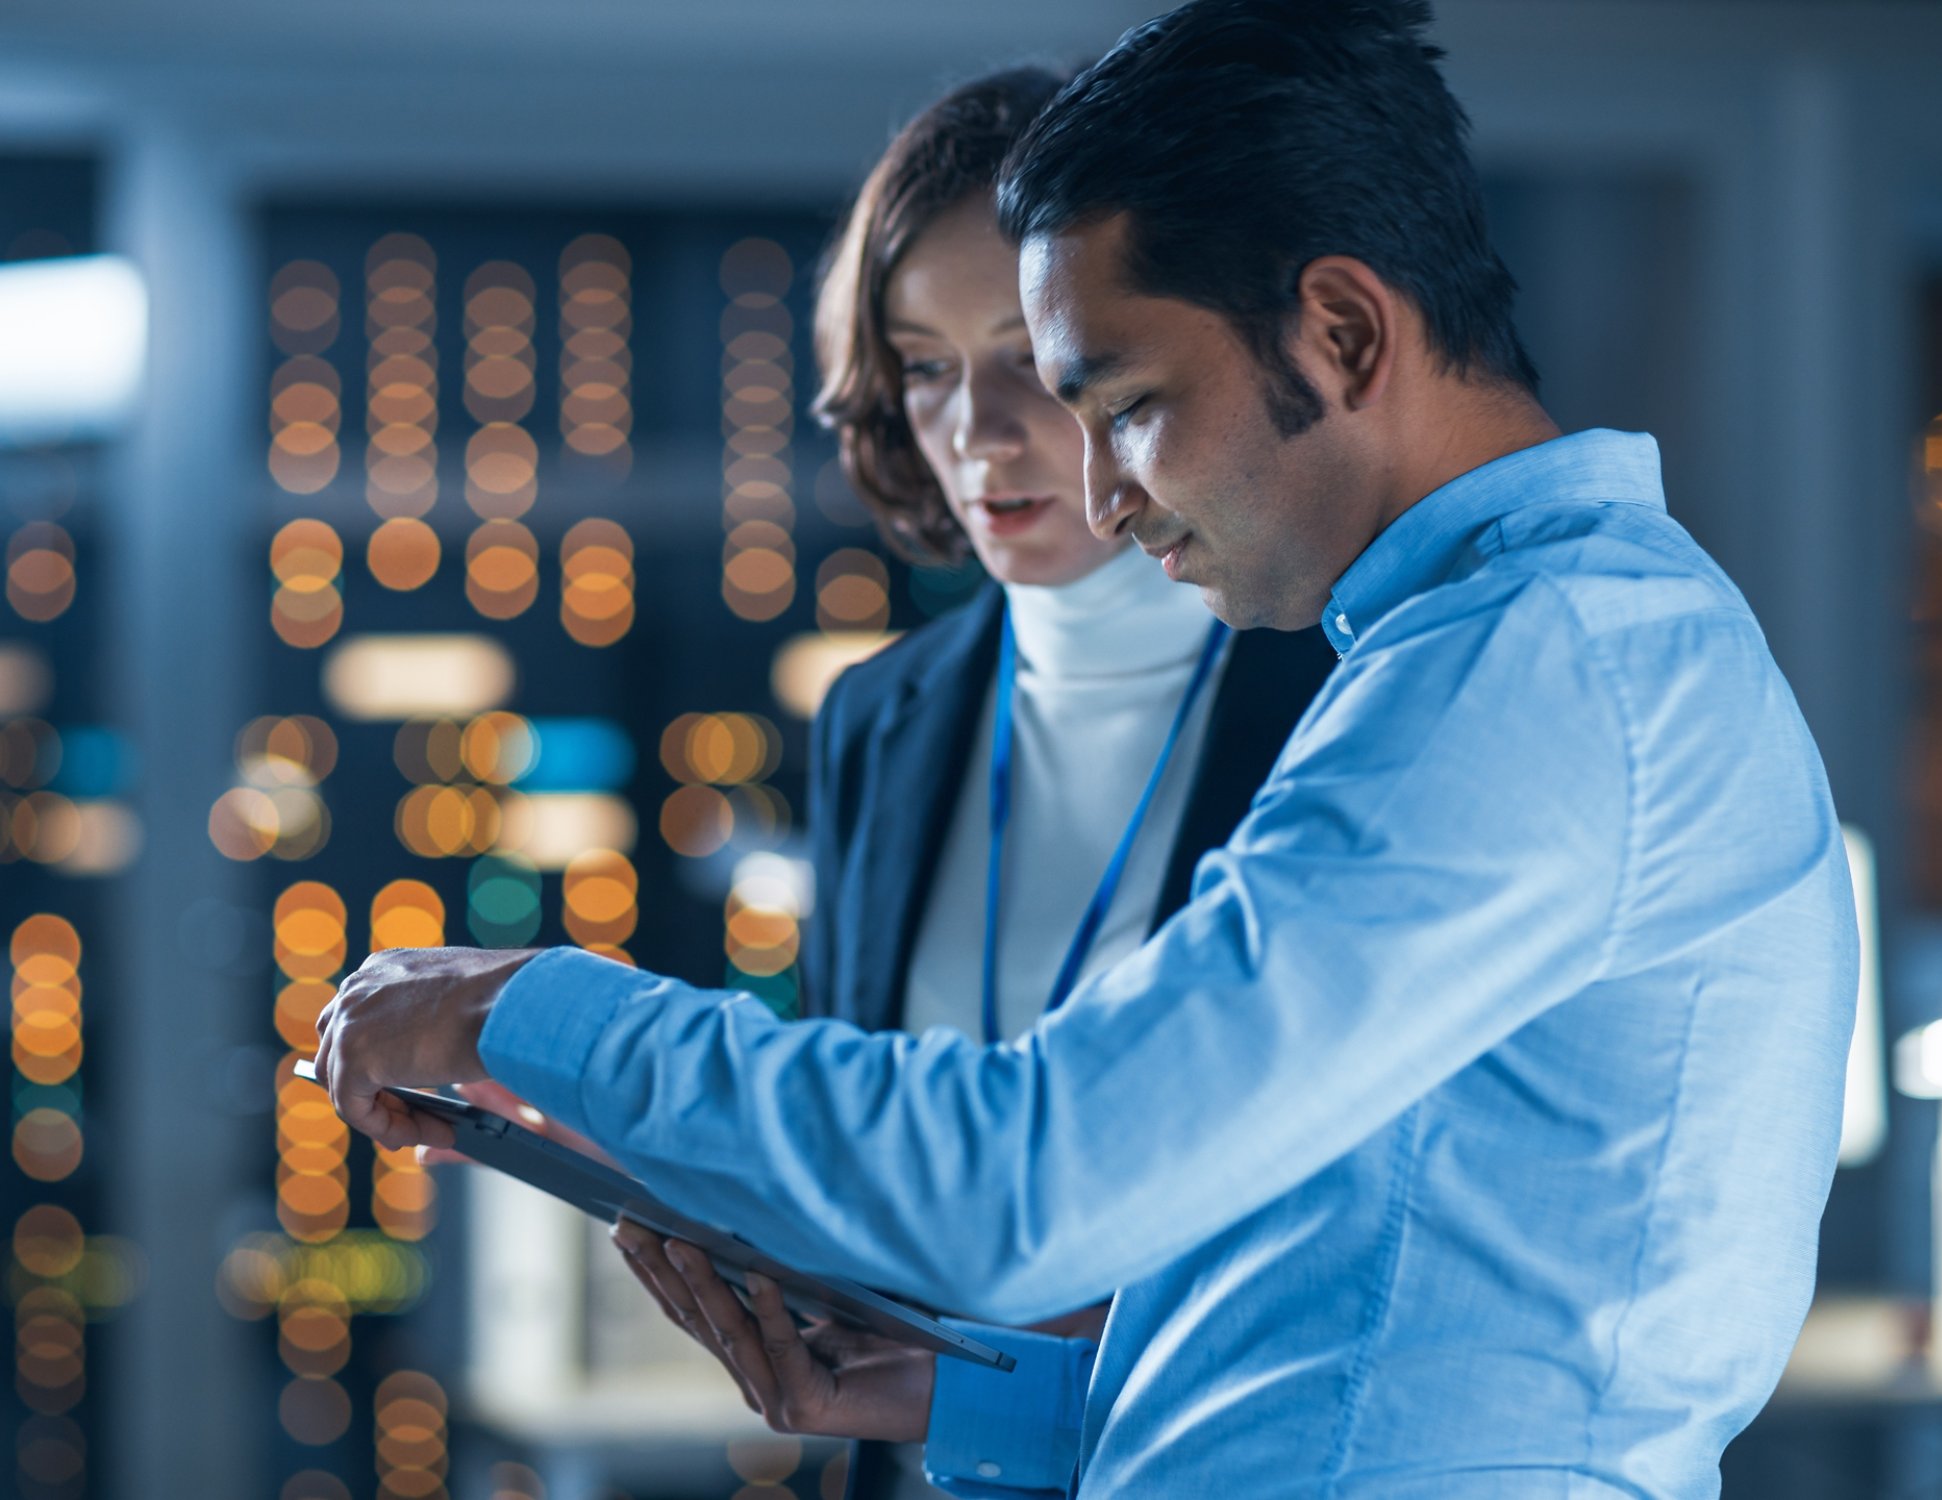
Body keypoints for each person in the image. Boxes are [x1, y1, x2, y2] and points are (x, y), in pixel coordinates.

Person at [316, 3, 1861, 1495]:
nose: (1105, 494)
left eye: (1128, 405)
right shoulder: (1483, 655)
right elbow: (1377, 1363)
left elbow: (1029, 1185)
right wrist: (993, 1403)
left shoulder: (1536, 669)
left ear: (1341, 332)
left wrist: (520, 1007)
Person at [436, 64, 1330, 1500]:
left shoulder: (1336, 689)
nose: (974, 429)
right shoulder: (881, 716)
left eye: (1033, 358)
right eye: (921, 365)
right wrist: (662, 1159)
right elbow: (876, 1152)